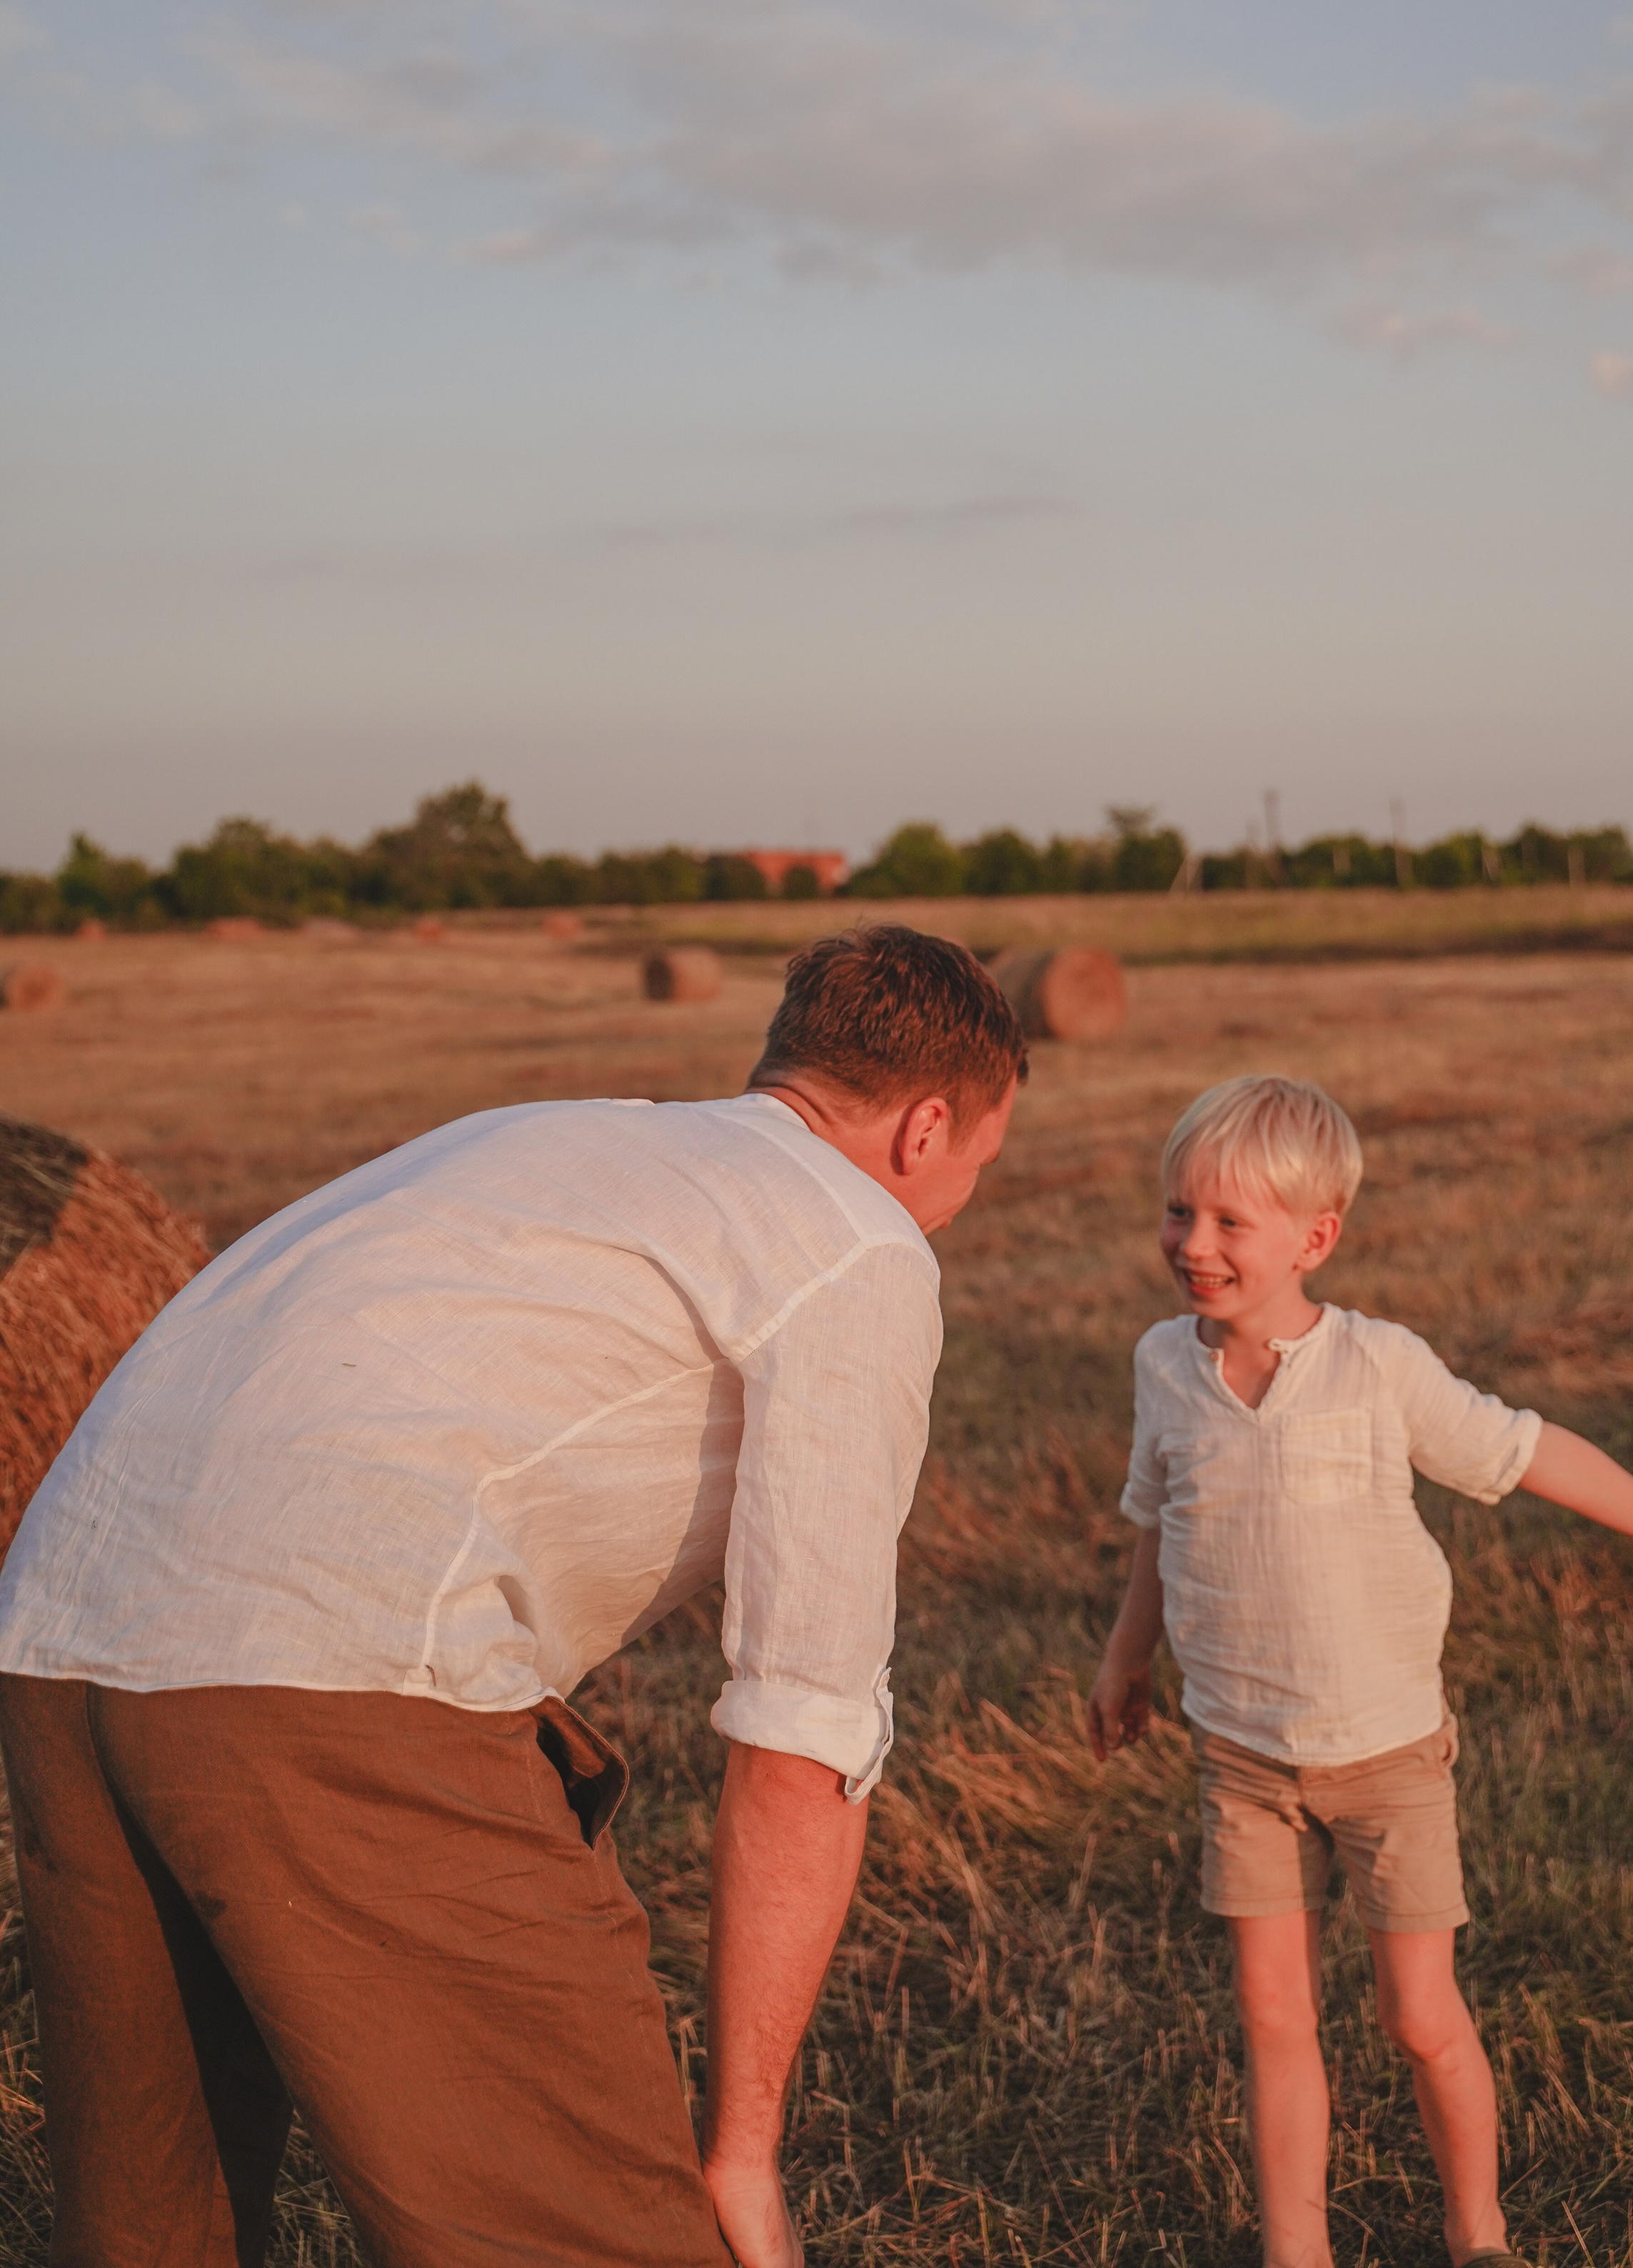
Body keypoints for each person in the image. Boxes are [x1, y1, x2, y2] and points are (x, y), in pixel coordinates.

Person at [0, 923, 1026, 2268]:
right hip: (337, 1665)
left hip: (56, 1631)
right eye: (977, 1168)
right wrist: (743, 2152)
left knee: (151, 2233)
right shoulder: (856, 1239)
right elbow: (803, 1732)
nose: (954, 1206)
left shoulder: (537, 1136)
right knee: (594, 2233)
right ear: (926, 1126)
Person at [1085, 1073, 1633, 2268]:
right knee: (1274, 2018)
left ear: (1315, 1239)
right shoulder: (1164, 1365)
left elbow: (1524, 1449)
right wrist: (1125, 1659)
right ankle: (1295, 2251)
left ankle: (1479, 2235)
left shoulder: (1375, 1364)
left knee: (1418, 2017)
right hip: (1242, 1760)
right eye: (1177, 1212)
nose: (1193, 1244)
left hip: (1388, 1758)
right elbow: (1162, 1523)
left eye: (1228, 1221)